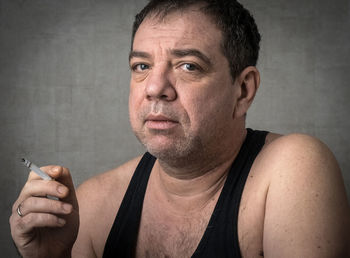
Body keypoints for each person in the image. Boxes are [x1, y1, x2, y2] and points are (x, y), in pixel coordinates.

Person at [9, 0, 350, 257]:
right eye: (141, 65)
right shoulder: (94, 206)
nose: (154, 87)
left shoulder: (293, 168)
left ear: (243, 90)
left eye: (188, 65)